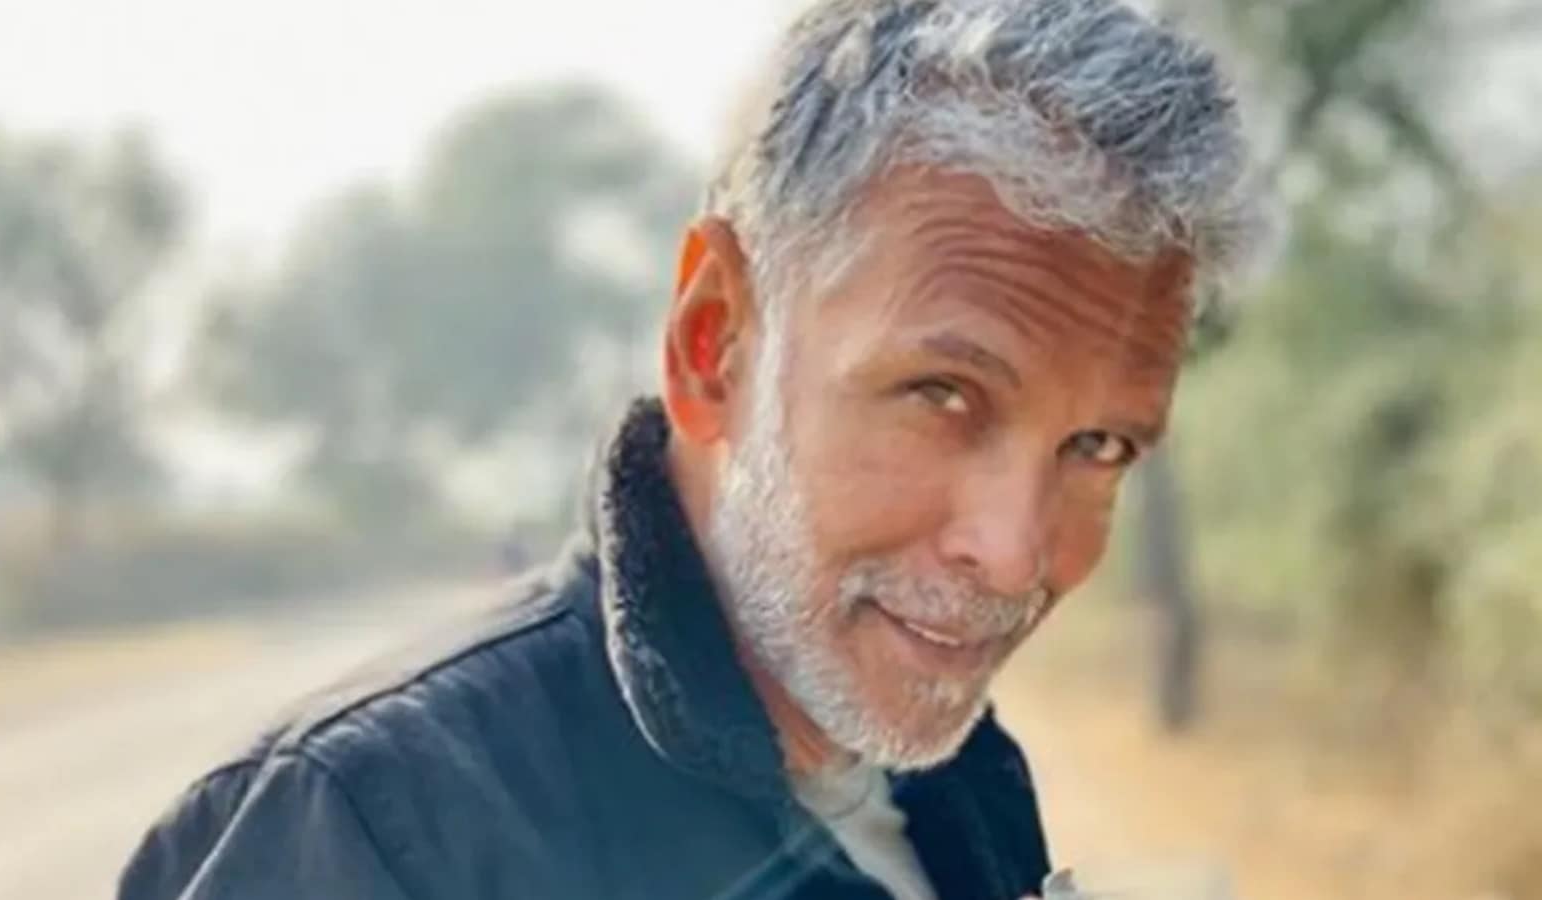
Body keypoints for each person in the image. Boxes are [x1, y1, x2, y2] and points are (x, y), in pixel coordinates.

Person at [120, 0, 1266, 897]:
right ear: (713, 343)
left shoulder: (960, 781)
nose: (1016, 556)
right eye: (942, 394)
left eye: (1097, 444)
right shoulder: (370, 831)